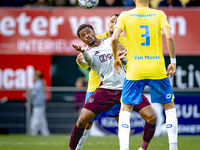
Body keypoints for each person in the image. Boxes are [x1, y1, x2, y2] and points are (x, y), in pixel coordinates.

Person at [69, 23, 156, 150]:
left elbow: (124, 59)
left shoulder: (111, 41)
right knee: (82, 120)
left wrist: (123, 58)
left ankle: (142, 149)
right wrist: (83, 51)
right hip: (106, 91)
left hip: (127, 88)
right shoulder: (86, 53)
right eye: (83, 35)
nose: (87, 35)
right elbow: (88, 61)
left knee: (152, 117)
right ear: (81, 40)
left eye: (88, 32)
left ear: (94, 31)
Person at [111, 0, 178, 150]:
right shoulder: (159, 14)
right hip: (157, 69)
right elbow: (169, 37)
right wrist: (173, 61)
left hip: (135, 70)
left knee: (126, 108)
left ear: (134, 0)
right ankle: (173, 147)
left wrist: (115, 58)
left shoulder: (125, 15)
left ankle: (124, 148)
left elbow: (114, 38)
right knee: (169, 107)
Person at [29, 70, 50, 136]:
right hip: (40, 104)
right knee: (42, 120)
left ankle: (33, 133)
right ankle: (46, 134)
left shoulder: (38, 83)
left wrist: (29, 93)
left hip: (38, 104)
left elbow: (34, 93)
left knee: (36, 119)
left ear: (36, 76)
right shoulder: (41, 82)